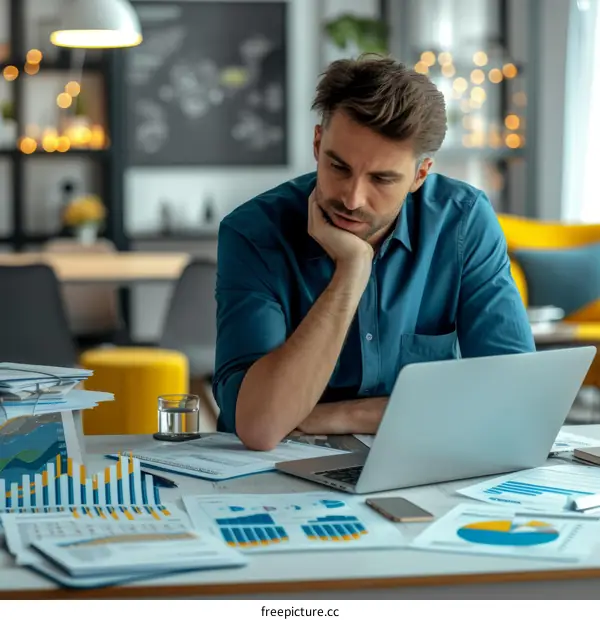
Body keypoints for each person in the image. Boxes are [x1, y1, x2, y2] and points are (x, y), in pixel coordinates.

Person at [213, 54, 535, 450]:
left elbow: (517, 396)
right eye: (339, 167)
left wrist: (335, 415)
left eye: (382, 178)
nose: (352, 198)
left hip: (417, 458)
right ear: (318, 144)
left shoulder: (462, 222)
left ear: (420, 174)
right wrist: (351, 269)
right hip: (274, 469)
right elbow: (261, 427)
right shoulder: (253, 234)